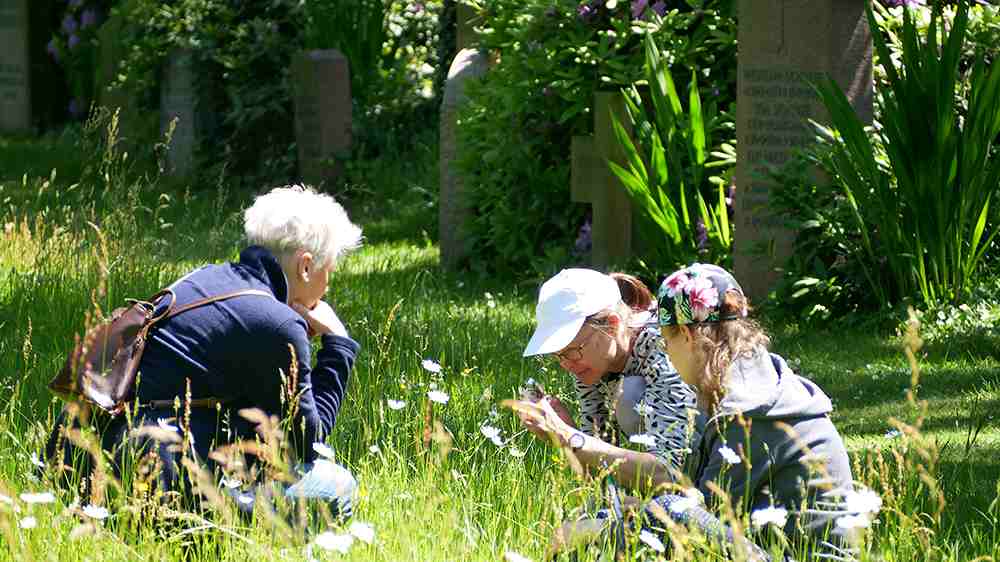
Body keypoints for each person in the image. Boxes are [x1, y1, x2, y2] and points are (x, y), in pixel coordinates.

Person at [45, 185, 363, 519]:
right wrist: (338, 344)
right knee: (336, 485)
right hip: (156, 487)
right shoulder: (278, 323)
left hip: (81, 467)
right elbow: (307, 445)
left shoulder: (204, 279)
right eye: (330, 271)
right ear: (306, 266)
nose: (328, 286)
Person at [650, 263, 860, 560]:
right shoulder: (759, 378)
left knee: (670, 511)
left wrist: (615, 526)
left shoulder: (747, 410)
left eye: (666, 341)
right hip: (780, 548)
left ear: (685, 334)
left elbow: (699, 517)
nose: (667, 353)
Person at [518, 268, 700, 492]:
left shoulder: (661, 347)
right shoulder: (591, 364)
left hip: (722, 462)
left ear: (613, 325)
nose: (566, 364)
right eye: (558, 354)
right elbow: (599, 473)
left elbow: (669, 473)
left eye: (573, 350)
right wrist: (566, 433)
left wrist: (568, 436)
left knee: (629, 396)